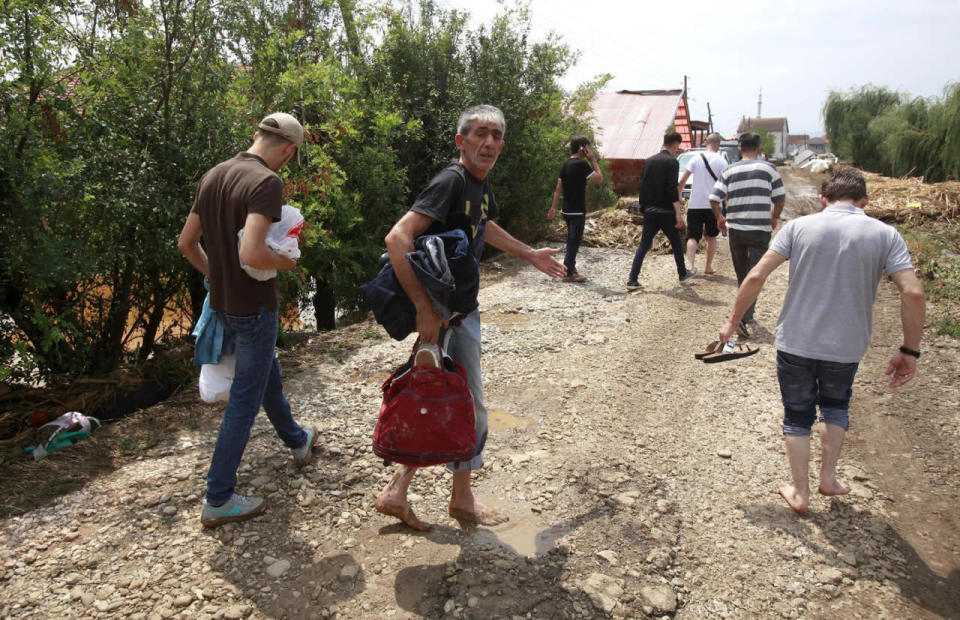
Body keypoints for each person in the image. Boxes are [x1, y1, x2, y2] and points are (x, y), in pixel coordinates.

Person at [374, 105, 566, 530]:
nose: (490, 144)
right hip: (448, 317)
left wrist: (530, 253)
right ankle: (459, 498)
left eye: (497, 136)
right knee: (467, 405)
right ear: (461, 141)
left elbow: (485, 226)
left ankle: (400, 491)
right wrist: (426, 310)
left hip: (454, 315)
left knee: (435, 395)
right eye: (481, 134)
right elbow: (396, 237)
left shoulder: (477, 185)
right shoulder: (451, 181)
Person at [716, 167, 926, 514]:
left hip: (796, 341)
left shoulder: (799, 227)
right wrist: (909, 350)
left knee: (797, 415)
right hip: (846, 345)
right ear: (866, 201)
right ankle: (828, 478)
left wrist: (732, 321)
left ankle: (800, 493)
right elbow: (914, 293)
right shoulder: (886, 235)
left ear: (823, 199)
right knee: (836, 406)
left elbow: (756, 275)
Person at [178, 112, 317, 528]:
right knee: (245, 397)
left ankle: (297, 440)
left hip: (223, 305)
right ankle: (218, 497)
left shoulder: (214, 175)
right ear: (288, 149)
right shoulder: (266, 183)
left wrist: (216, 278)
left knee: (264, 373)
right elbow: (253, 254)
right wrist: (289, 262)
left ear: (257, 135)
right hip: (255, 308)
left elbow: (186, 243)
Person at [709, 132, 785, 336]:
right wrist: (774, 216)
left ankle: (744, 314)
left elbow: (714, 198)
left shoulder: (729, 170)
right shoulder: (769, 169)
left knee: (742, 273)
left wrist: (720, 218)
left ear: (740, 149)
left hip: (736, 230)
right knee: (756, 273)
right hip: (760, 229)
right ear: (759, 148)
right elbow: (779, 199)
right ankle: (744, 316)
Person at [626, 132, 694, 289]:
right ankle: (682, 274)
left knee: (644, 245)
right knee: (676, 242)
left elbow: (641, 185)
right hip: (666, 212)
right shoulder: (672, 162)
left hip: (650, 210)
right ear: (676, 144)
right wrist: (678, 213)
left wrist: (643, 207)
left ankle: (632, 279)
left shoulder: (649, 161)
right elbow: (671, 189)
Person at [547, 136, 603, 282]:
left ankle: (570, 268)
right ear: (581, 148)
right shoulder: (582, 165)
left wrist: (554, 207)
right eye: (587, 147)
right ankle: (569, 273)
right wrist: (593, 160)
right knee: (574, 242)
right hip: (577, 210)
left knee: (571, 240)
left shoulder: (565, 164)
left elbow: (558, 188)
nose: (589, 150)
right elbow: (599, 179)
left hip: (566, 210)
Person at [677, 132, 728, 275]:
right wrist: (726, 204)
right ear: (718, 144)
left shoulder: (696, 158)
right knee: (711, 236)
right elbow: (725, 186)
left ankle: (691, 266)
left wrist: (679, 195)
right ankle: (708, 267)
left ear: (706, 143)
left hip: (695, 204)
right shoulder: (722, 161)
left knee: (692, 236)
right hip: (714, 205)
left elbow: (682, 180)